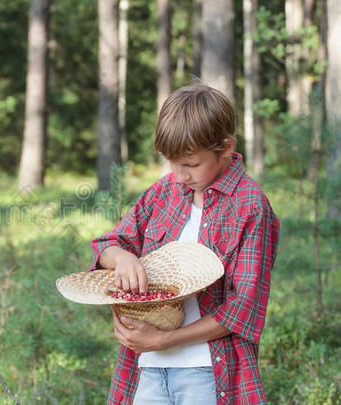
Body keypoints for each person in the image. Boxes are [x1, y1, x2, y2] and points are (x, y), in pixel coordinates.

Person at [88, 83, 280, 405]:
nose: (179, 175)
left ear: (226, 148)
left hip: (205, 372)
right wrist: (122, 258)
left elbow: (242, 308)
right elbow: (107, 242)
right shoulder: (163, 193)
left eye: (190, 165)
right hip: (146, 368)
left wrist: (165, 339)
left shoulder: (250, 206)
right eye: (171, 162)